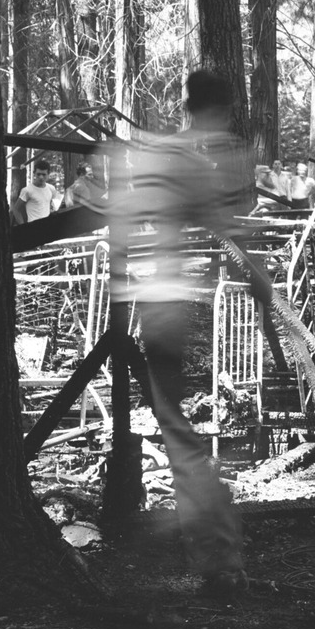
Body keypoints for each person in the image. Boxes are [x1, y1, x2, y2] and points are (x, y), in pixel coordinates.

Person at [110, 70, 251, 598]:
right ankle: (219, 554)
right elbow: (225, 226)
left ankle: (220, 556)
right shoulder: (194, 160)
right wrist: (257, 278)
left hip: (154, 303)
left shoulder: (159, 154)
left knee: (178, 432)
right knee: (178, 434)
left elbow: (119, 214)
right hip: (171, 304)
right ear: (221, 108)